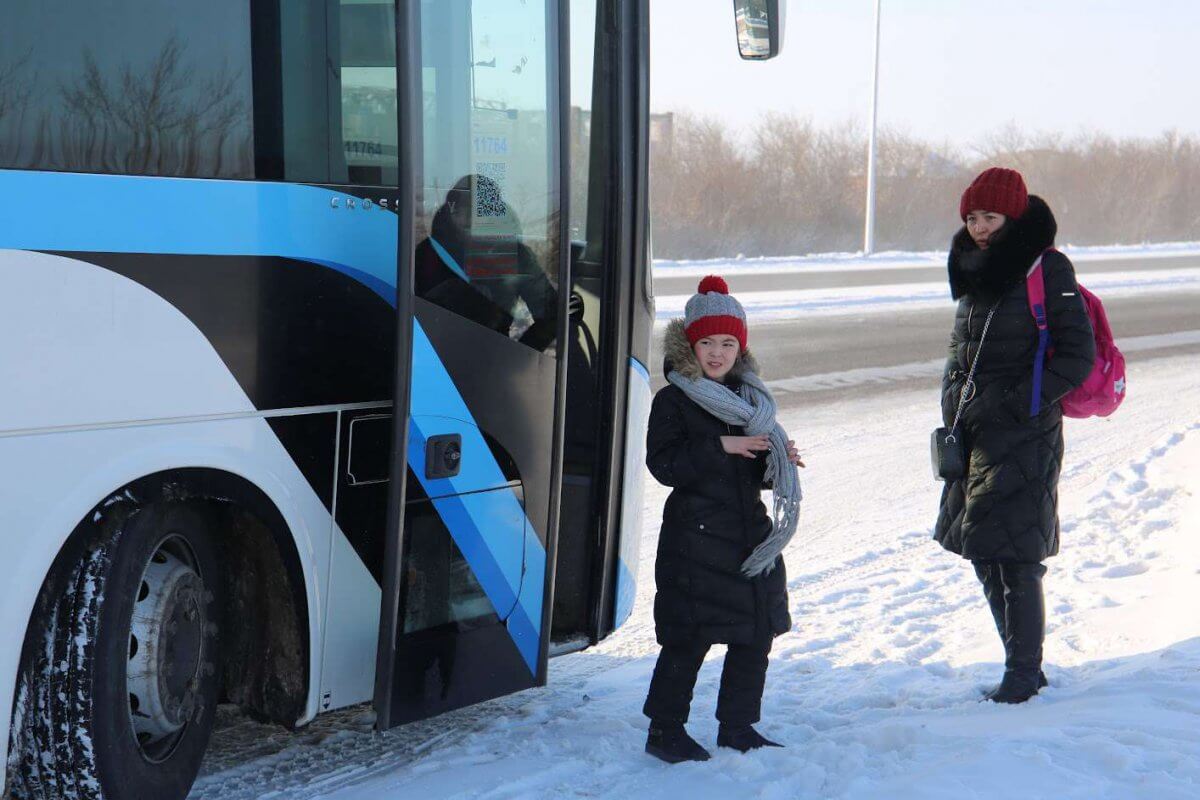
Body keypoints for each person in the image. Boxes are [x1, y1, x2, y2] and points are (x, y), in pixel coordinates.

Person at [935, 167, 1095, 704]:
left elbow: (1077, 355)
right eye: (972, 217)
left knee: (1017, 556)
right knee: (983, 547)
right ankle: (1020, 664)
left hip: (1024, 434)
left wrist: (1021, 404)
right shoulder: (975, 267)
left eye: (991, 217)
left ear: (1014, 215)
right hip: (976, 432)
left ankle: (1024, 674)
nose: (979, 227)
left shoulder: (1045, 267)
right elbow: (963, 352)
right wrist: (953, 402)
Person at [642, 275, 804, 763]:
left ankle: (738, 727)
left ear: (741, 347)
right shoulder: (674, 398)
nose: (717, 352)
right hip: (694, 540)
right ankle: (664, 732)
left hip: (747, 538)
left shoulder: (749, 400)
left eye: (728, 342)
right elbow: (663, 464)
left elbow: (750, 474)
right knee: (688, 639)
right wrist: (720, 446)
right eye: (707, 342)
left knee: (756, 634)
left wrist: (777, 462)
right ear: (691, 343)